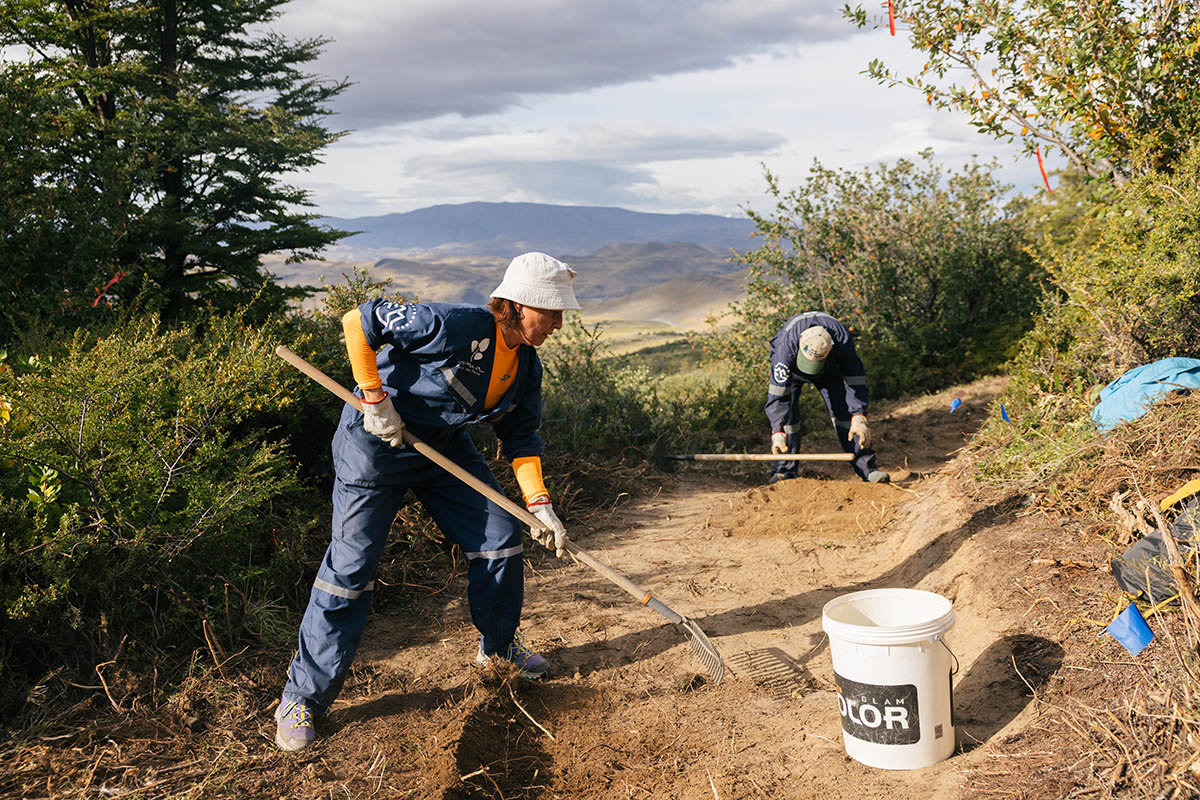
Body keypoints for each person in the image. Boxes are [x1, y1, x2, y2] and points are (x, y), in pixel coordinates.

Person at [274, 252, 579, 752]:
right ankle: (302, 696)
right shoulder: (452, 324)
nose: (558, 325)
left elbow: (521, 438)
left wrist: (539, 503)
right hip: (375, 444)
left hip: (441, 447)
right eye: (552, 313)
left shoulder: (526, 367)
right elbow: (360, 319)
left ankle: (499, 650)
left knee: (500, 538)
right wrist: (373, 397)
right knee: (350, 571)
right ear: (520, 306)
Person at [765, 311, 890, 485]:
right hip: (793, 371)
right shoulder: (784, 349)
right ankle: (784, 472)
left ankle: (868, 470)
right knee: (788, 424)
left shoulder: (843, 342)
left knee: (847, 418)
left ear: (830, 347)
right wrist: (777, 432)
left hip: (829, 371)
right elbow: (777, 395)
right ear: (801, 342)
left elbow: (855, 381)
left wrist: (859, 416)